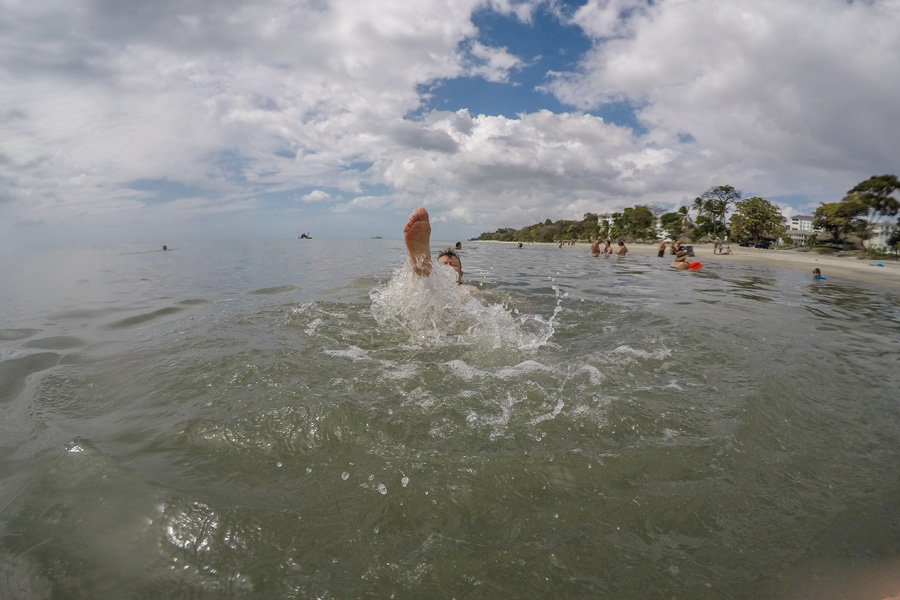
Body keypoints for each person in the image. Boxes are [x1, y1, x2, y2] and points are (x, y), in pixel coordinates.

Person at [404, 207, 464, 284]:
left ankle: (421, 265)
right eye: (444, 264)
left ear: (461, 274)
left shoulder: (469, 288)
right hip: (434, 286)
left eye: (453, 265)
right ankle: (421, 266)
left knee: (423, 283)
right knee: (425, 281)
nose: (448, 267)